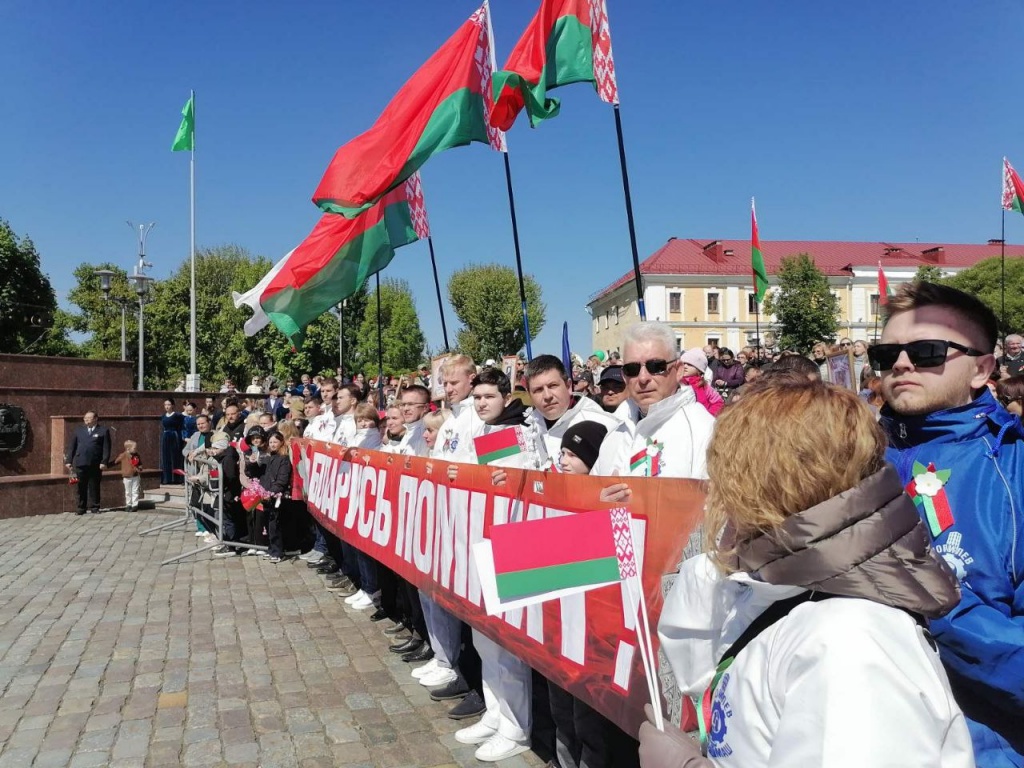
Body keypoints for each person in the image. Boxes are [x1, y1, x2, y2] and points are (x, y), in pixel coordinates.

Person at [642, 378, 971, 768]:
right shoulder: (799, 593)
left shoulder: (850, 640)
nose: (717, 497)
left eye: (726, 476)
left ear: (766, 484)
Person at [875, 281, 1024, 766]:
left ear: (982, 368)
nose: (901, 364)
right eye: (887, 353)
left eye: (926, 351)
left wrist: (933, 603)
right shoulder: (850, 458)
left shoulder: (1013, 473)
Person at [453, 368, 541, 763]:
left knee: (506, 645)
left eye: (489, 396)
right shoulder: (484, 433)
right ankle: (495, 711)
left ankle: (516, 726)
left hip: (507, 546)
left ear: (506, 396)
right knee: (483, 638)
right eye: (477, 398)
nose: (482, 403)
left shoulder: (516, 433)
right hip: (480, 542)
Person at [522, 355, 628, 474]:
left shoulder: (605, 425)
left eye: (553, 386)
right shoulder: (525, 425)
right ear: (529, 395)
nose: (547, 396)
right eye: (538, 390)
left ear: (568, 386)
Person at [65, 411, 111, 515]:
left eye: (89, 418)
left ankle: (95, 507)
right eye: (85, 418)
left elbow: (106, 448)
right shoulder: (79, 430)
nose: (86, 420)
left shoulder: (103, 431)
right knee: (81, 486)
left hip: (95, 463)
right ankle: (81, 508)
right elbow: (72, 446)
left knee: (94, 486)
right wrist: (69, 460)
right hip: (81, 462)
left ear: (96, 419)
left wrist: (104, 461)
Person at [679, 349, 724, 416]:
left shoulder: (704, 386)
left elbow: (718, 402)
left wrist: (709, 415)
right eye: (683, 364)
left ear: (699, 370)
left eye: (689, 364)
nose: (685, 366)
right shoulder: (677, 383)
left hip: (701, 421)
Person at [112, 439, 143, 512]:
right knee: (128, 491)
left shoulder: (136, 455)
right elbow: (116, 461)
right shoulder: (124, 455)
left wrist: (140, 468)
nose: (136, 449)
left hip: (135, 475)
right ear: (128, 448)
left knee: (135, 490)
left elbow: (140, 463)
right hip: (127, 476)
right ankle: (128, 504)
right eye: (134, 448)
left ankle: (134, 505)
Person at [160, 399, 185, 485]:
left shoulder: (177, 415)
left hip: (174, 436)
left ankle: (177, 478)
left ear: (173, 405)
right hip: (166, 437)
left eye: (169, 404)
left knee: (175, 457)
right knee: (166, 457)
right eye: (165, 404)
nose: (167, 406)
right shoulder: (163, 416)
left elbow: (182, 426)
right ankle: (167, 478)